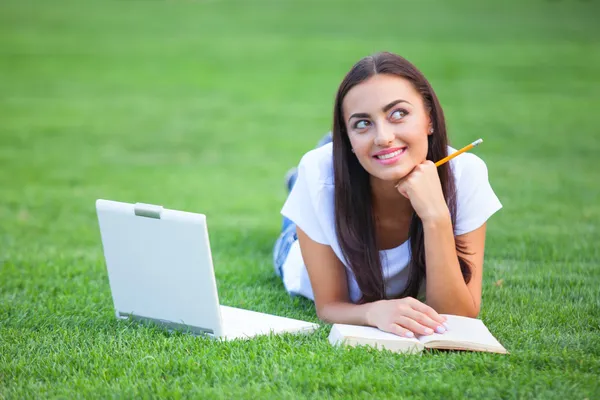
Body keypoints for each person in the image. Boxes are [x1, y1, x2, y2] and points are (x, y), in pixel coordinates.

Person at [272, 52, 502, 339]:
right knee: (312, 184)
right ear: (348, 140)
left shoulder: (465, 173)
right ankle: (300, 182)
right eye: (363, 123)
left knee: (334, 168)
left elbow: (457, 315)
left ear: (430, 118)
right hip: (298, 242)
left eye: (398, 114)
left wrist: (435, 216)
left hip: (350, 168)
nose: (383, 136)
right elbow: (329, 306)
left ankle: (314, 168)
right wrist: (372, 312)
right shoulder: (318, 175)